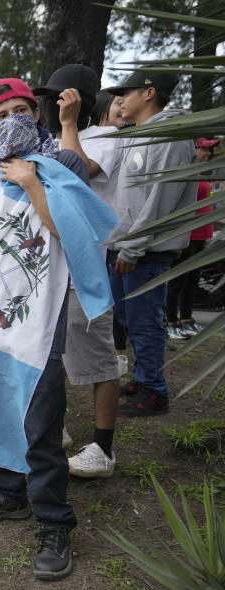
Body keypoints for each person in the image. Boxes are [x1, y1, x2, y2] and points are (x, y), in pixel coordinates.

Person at [0, 78, 113, 582]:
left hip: (38, 321)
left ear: (37, 117)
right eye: (2, 115)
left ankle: (54, 521)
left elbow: (74, 234)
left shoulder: (60, 164)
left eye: (22, 110)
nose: (13, 120)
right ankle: (7, 492)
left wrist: (32, 182)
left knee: (40, 417)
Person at [35, 65, 126, 477]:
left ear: (78, 102)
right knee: (51, 352)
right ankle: (60, 430)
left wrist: (70, 123)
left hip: (83, 265)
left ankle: (103, 449)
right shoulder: (51, 139)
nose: (51, 106)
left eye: (59, 98)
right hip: (49, 265)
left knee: (97, 356)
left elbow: (78, 172)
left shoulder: (104, 137)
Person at [105, 68, 197, 417]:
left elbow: (161, 200)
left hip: (146, 252)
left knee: (145, 321)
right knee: (130, 318)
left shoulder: (170, 136)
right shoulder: (141, 133)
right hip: (128, 247)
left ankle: (155, 392)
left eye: (126, 93)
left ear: (148, 93)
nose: (120, 100)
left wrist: (132, 247)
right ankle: (144, 379)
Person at [166, 137, 218, 340]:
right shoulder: (186, 173)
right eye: (203, 149)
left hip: (202, 235)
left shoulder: (203, 173)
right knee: (178, 280)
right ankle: (171, 321)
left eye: (209, 150)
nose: (207, 154)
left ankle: (186, 319)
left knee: (192, 280)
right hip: (187, 235)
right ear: (192, 149)